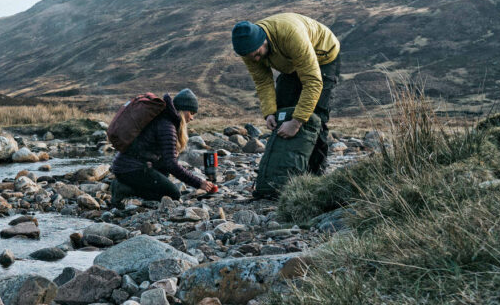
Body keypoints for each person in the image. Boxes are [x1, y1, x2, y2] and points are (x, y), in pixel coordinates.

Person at [231, 13, 341, 175]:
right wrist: (269, 113)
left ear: (264, 40)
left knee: (315, 118)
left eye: (256, 54)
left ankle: (315, 175)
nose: (254, 59)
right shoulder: (248, 49)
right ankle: (286, 170)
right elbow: (263, 82)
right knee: (282, 113)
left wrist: (297, 122)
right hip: (290, 64)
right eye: (249, 57)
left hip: (322, 56)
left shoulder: (290, 35)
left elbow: (312, 81)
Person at [110, 88, 220, 206]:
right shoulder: (167, 126)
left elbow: (165, 160)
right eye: (191, 113)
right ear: (183, 111)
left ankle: (129, 184)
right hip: (130, 169)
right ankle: (123, 188)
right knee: (173, 194)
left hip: (128, 166)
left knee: (166, 169)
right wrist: (199, 183)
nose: (192, 118)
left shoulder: (164, 119)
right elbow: (171, 164)